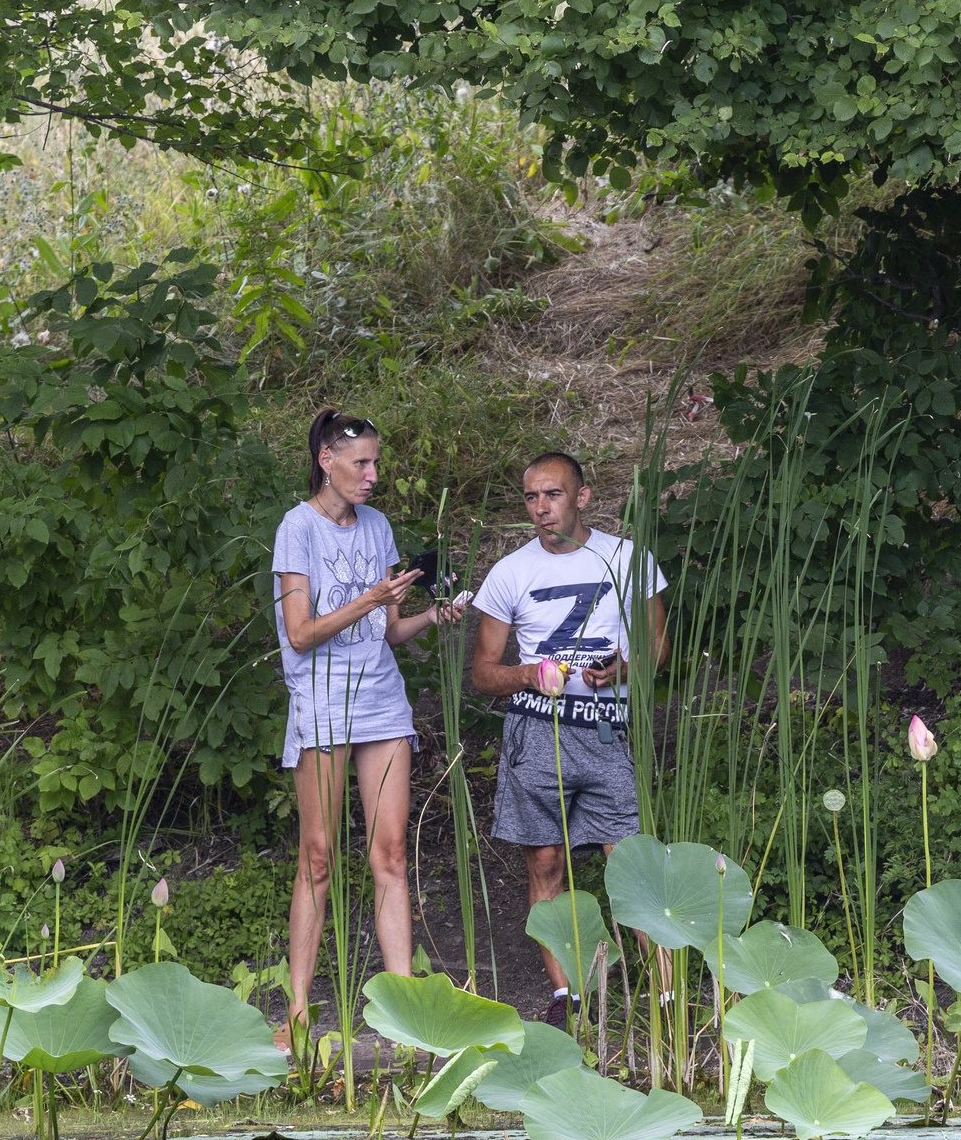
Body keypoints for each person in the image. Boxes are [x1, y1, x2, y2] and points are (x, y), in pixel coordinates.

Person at [273, 409, 464, 1050]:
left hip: (382, 701)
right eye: (361, 463)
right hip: (323, 702)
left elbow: (386, 632)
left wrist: (432, 615)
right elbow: (300, 634)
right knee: (319, 856)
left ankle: (403, 1011)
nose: (373, 475)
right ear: (326, 461)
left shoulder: (377, 526)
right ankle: (297, 1011)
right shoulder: (296, 529)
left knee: (389, 856)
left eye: (377, 462)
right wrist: (368, 600)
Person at [469, 451, 669, 1023]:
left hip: (606, 731)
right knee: (546, 864)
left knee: (629, 862)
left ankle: (664, 997)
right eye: (531, 498)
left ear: (581, 497)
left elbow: (656, 650)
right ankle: (567, 997)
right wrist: (529, 672)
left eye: (552, 495)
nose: (540, 509)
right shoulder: (510, 571)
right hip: (537, 730)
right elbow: (484, 673)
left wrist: (620, 670)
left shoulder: (626, 558)